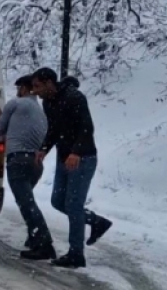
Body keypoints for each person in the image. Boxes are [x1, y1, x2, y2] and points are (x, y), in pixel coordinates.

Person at [32, 67, 113, 268]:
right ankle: (96, 222)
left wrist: (76, 152)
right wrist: (43, 149)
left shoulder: (74, 97)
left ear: (49, 82)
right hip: (64, 157)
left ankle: (76, 254)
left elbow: (86, 128)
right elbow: (53, 129)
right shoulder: (48, 102)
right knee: (58, 201)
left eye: (37, 86)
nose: (35, 91)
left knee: (74, 205)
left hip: (82, 157)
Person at [0, 75, 53, 260]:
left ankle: (44, 243)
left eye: (19, 88)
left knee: (26, 204)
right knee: (28, 201)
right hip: (36, 163)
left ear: (24, 89)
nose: (17, 91)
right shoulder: (40, 112)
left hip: (18, 159)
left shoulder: (15, 104)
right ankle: (34, 239)